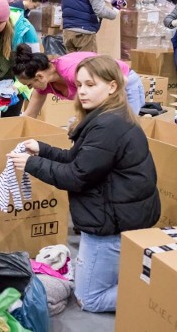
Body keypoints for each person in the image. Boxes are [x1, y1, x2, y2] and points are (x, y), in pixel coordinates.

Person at [8, 55, 160, 313]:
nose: (83, 92)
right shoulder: (107, 116)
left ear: (112, 86)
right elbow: (78, 160)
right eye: (79, 85)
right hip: (117, 212)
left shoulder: (108, 126)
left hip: (111, 221)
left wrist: (31, 164)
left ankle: (162, 292)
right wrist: (42, 149)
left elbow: (75, 176)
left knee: (89, 298)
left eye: (91, 85)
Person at [14, 44, 145, 116]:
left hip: (124, 82)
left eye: (30, 85)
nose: (31, 89)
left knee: (128, 127)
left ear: (40, 77)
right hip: (103, 94)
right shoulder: (44, 84)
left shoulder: (73, 71)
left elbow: (122, 80)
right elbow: (29, 116)